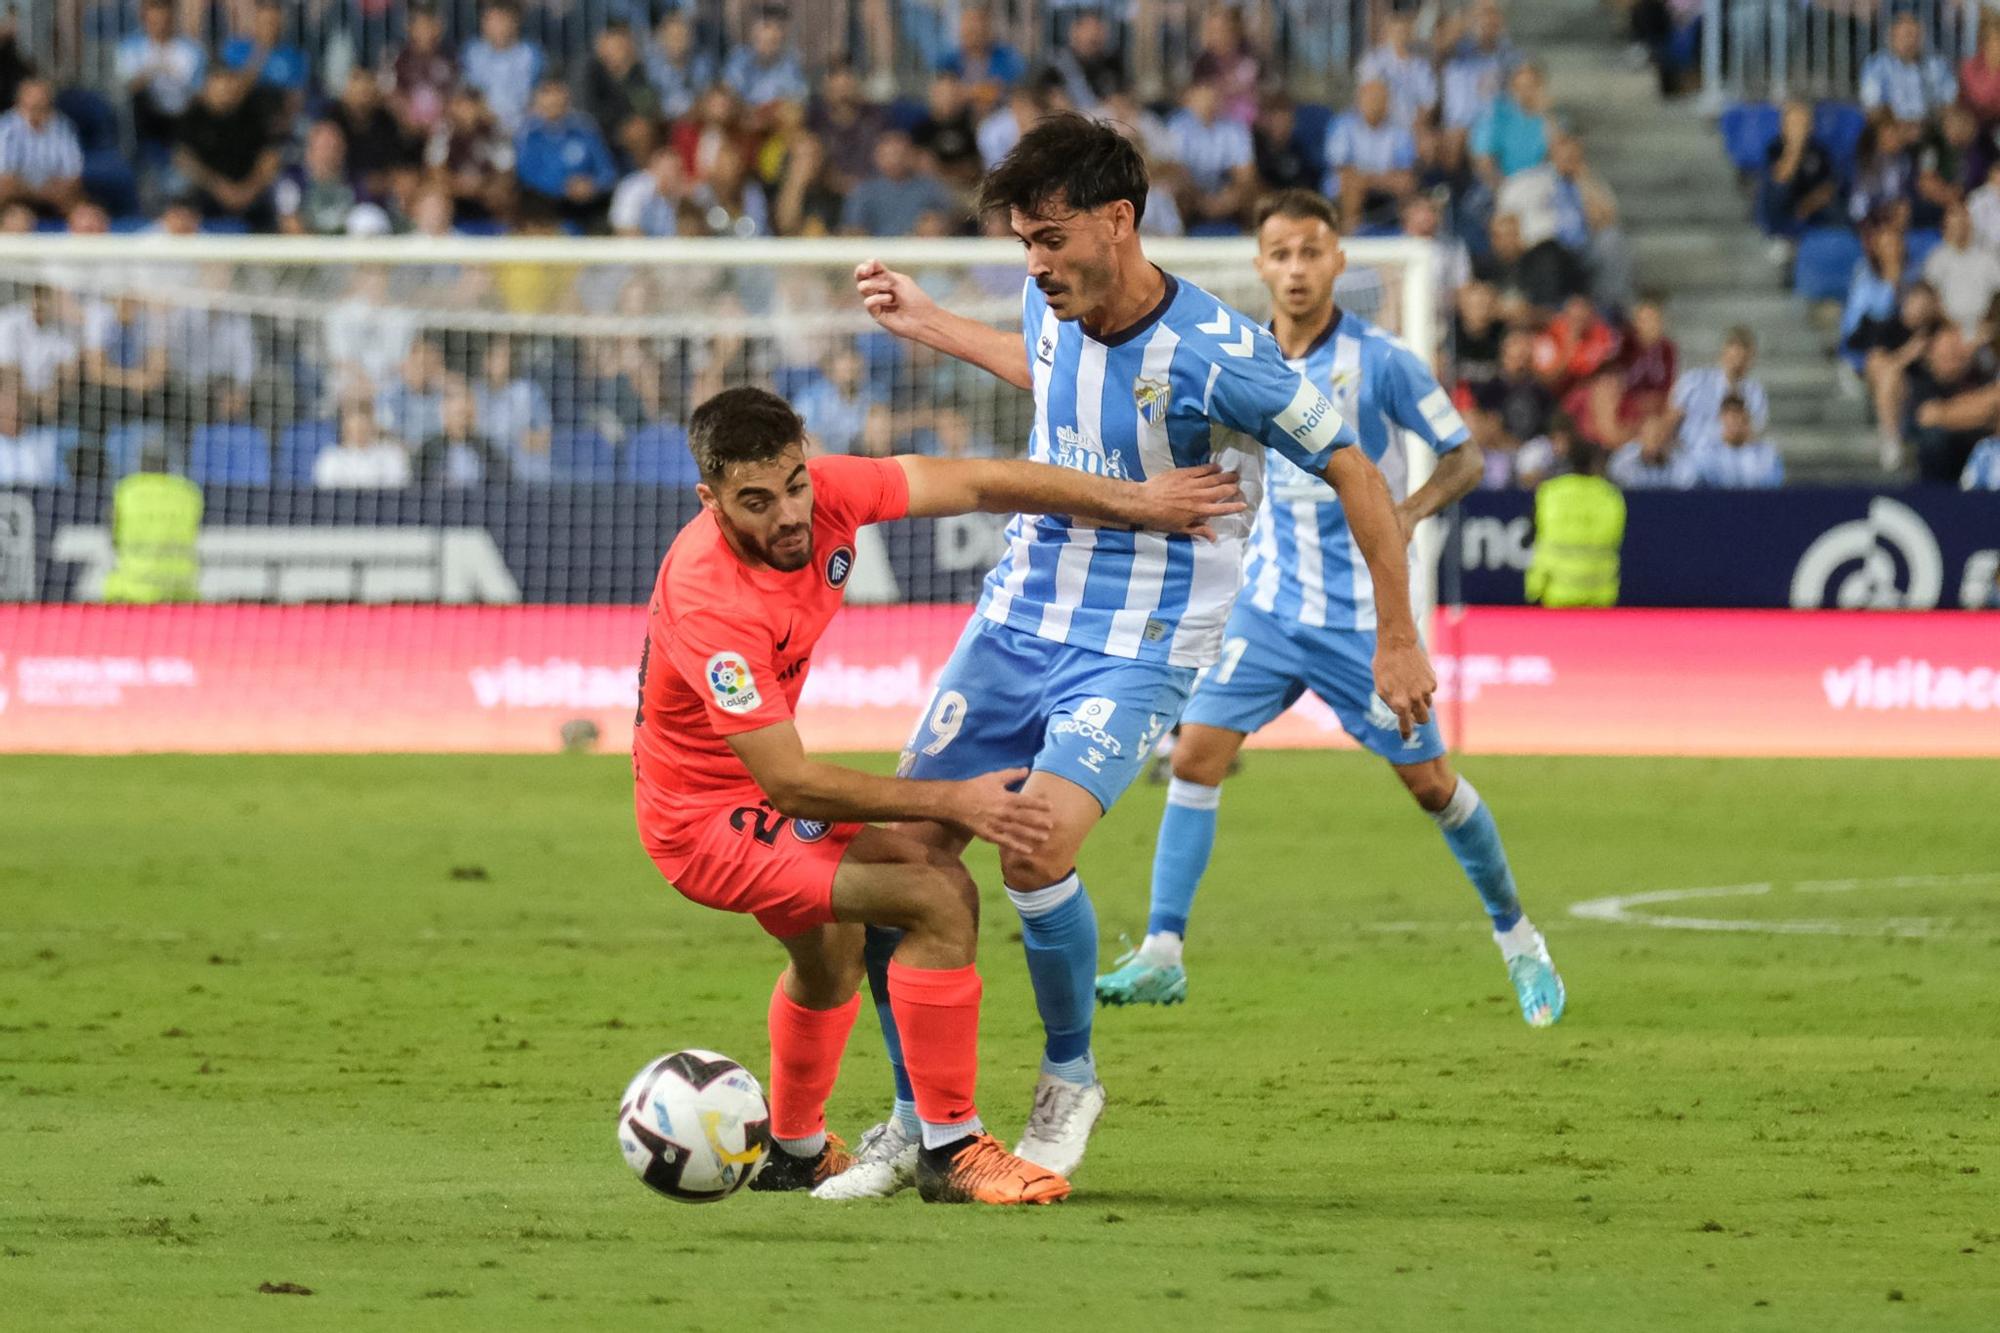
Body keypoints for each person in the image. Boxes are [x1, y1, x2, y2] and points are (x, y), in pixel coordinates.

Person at [834, 114, 1433, 1195]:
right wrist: (930, 324)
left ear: (1118, 221)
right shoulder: (1047, 297)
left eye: (1050, 239)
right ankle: (917, 1120)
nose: (1033, 262)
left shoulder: (1225, 359)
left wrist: (1397, 633)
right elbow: (1050, 373)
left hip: (1138, 640)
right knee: (894, 862)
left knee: (1030, 842)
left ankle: (1067, 1075)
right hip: (1014, 619)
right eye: (1023, 241)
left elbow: (1353, 469)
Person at [632, 386, 1240, 1204]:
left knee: (831, 959)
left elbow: (985, 482)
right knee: (932, 890)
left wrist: (1136, 499)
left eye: (794, 485)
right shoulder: (709, 597)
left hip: (756, 789)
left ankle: (796, 1150)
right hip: (705, 822)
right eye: (754, 501)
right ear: (711, 501)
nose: (786, 514)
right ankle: (950, 1145)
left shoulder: (829, 494)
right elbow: (787, 779)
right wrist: (956, 801)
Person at [1094, 187, 1563, 1026]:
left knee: (1432, 786)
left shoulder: (1379, 359)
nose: (1297, 269)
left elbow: (1464, 458)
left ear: (1339, 260)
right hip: (1266, 612)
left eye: (1312, 252)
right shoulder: (1236, 354)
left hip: (1362, 623)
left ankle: (1520, 939)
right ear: (1261, 264)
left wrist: (1408, 513)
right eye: (1281, 253)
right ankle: (1163, 951)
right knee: (1197, 756)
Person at [1525, 432, 1623, 606]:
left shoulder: (1550, 492)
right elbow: (1617, 537)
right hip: (1599, 593)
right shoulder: (1610, 495)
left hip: (1556, 592)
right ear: (1595, 463)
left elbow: (1531, 536)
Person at [100, 442, 202, 602]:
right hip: (180, 587)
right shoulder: (188, 491)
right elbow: (195, 529)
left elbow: (112, 535)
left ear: (140, 464)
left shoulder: (127, 489)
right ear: (168, 464)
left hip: (133, 587)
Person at [839, 130, 957, 237]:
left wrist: (933, 225)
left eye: (899, 154)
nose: (895, 160)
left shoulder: (930, 188)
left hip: (919, 253)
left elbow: (947, 222)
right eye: (888, 155)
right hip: (875, 254)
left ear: (910, 155)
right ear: (877, 157)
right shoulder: (864, 191)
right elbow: (852, 228)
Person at [0, 78, 83, 218]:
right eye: (32, 105)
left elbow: (73, 175)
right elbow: (6, 177)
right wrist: (34, 193)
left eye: (42, 105)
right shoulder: (5, 126)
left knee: (78, 200)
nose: (37, 109)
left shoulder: (63, 126)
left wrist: (48, 191)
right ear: (19, 103)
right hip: (17, 194)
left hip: (53, 193)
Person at [1860, 9, 1955, 125]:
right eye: (1906, 35)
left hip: (1930, 125)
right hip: (1892, 126)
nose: (1911, 41)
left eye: (1916, 36)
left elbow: (1949, 100)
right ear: (1891, 38)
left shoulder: (1937, 64)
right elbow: (1872, 105)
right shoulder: (1876, 65)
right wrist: (1901, 125)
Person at [461, 1, 543, 136]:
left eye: (500, 20)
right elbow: (467, 92)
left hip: (522, 128)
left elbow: (540, 95)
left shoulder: (531, 54)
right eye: (489, 20)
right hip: (481, 127)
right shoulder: (471, 52)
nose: (494, 26)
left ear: (515, 22)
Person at [1693, 395, 1783, 488]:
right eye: (1730, 419)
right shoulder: (1707, 453)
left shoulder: (1766, 454)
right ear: (1722, 420)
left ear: (1746, 419)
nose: (1735, 424)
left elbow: (1772, 487)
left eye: (1738, 418)